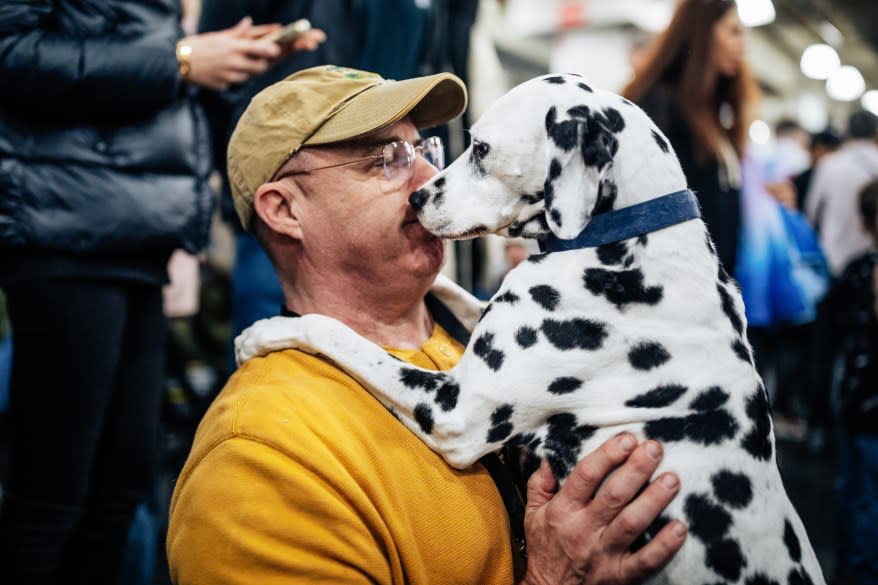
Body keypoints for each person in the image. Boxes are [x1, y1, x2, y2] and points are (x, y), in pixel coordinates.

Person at [166, 65, 686, 584]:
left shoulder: (500, 330)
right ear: (284, 210)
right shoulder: (260, 459)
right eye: (386, 160)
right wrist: (550, 577)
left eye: (424, 150)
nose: (432, 179)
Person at [0, 3, 293, 582]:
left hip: (138, 234)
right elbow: (13, 54)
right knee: (53, 495)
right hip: (65, 226)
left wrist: (220, 59)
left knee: (119, 489)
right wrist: (181, 60)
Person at [198, 1, 478, 370]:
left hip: (376, 187)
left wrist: (401, 154)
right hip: (296, 199)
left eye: (429, 156)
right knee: (291, 384)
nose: (433, 177)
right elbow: (214, 87)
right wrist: (267, 166)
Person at [621, 0, 760, 275]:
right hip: (674, 289)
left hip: (711, 288)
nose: (742, 45)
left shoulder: (713, 112)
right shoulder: (659, 105)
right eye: (733, 31)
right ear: (702, 32)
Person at [820, 179, 878, 584]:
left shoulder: (858, 271)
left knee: (858, 501)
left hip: (861, 403)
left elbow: (829, 335)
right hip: (865, 408)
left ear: (864, 222)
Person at [805, 109, 878, 277]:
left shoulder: (830, 164)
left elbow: (812, 211)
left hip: (833, 257)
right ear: (875, 132)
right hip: (872, 259)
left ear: (847, 131)